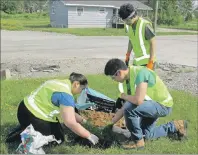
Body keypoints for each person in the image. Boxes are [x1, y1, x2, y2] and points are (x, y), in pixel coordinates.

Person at [104, 58, 187, 149]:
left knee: (129, 108)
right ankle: (176, 125)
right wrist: (110, 123)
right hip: (150, 105)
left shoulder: (141, 73)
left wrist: (123, 96)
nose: (113, 80)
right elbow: (127, 105)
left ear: (118, 73)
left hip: (163, 105)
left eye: (113, 77)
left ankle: (138, 142)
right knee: (147, 136)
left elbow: (138, 101)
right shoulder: (127, 79)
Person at [6, 72, 99, 146]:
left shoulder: (57, 82)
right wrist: (89, 135)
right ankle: (24, 135)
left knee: (59, 129)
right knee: (58, 139)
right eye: (82, 89)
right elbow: (70, 122)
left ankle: (26, 126)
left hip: (23, 109)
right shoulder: (66, 95)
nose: (80, 92)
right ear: (76, 84)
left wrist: (83, 120)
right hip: (35, 115)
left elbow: (69, 112)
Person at [119, 3, 156, 70]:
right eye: (124, 21)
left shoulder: (145, 25)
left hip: (147, 61)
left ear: (133, 16)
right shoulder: (128, 26)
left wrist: (151, 62)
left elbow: (152, 43)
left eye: (127, 20)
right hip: (137, 62)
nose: (126, 23)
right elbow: (131, 40)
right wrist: (128, 54)